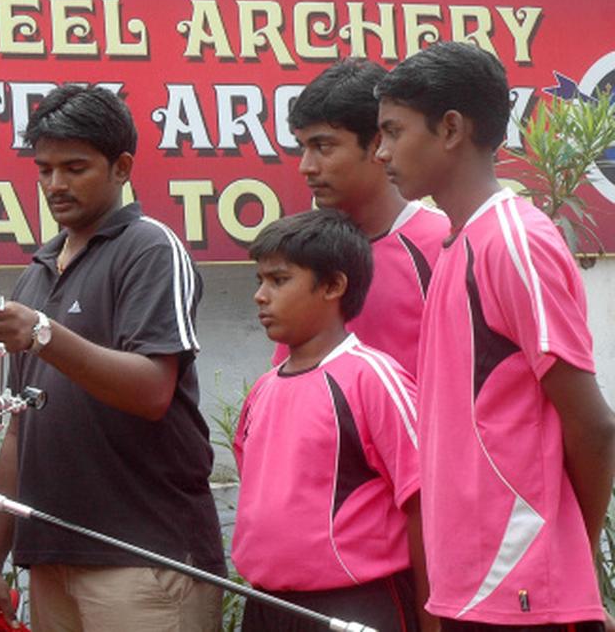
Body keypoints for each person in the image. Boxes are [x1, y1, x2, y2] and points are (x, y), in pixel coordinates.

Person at [375, 41, 615, 631]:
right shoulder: (459, 242)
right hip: (477, 589)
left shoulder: (515, 242)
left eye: (392, 131)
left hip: (527, 591)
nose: (380, 151)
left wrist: (568, 559)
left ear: (451, 128)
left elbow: (592, 423)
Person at [0, 85, 224, 632]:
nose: (55, 185)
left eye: (75, 167)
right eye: (44, 169)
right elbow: (18, 429)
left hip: (144, 557)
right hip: (51, 554)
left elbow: (153, 391)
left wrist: (41, 332)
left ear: (122, 166)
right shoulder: (36, 272)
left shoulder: (150, 248)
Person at [235, 209, 428, 632]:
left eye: (279, 280)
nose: (261, 296)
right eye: (260, 281)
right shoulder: (262, 391)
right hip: (265, 605)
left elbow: (424, 504)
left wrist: (432, 620)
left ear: (334, 285)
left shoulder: (373, 378)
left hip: (358, 605)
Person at [276, 58, 449, 374]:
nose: (306, 166)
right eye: (302, 147)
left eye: (323, 147)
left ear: (377, 144)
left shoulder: (444, 247)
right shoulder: (308, 253)